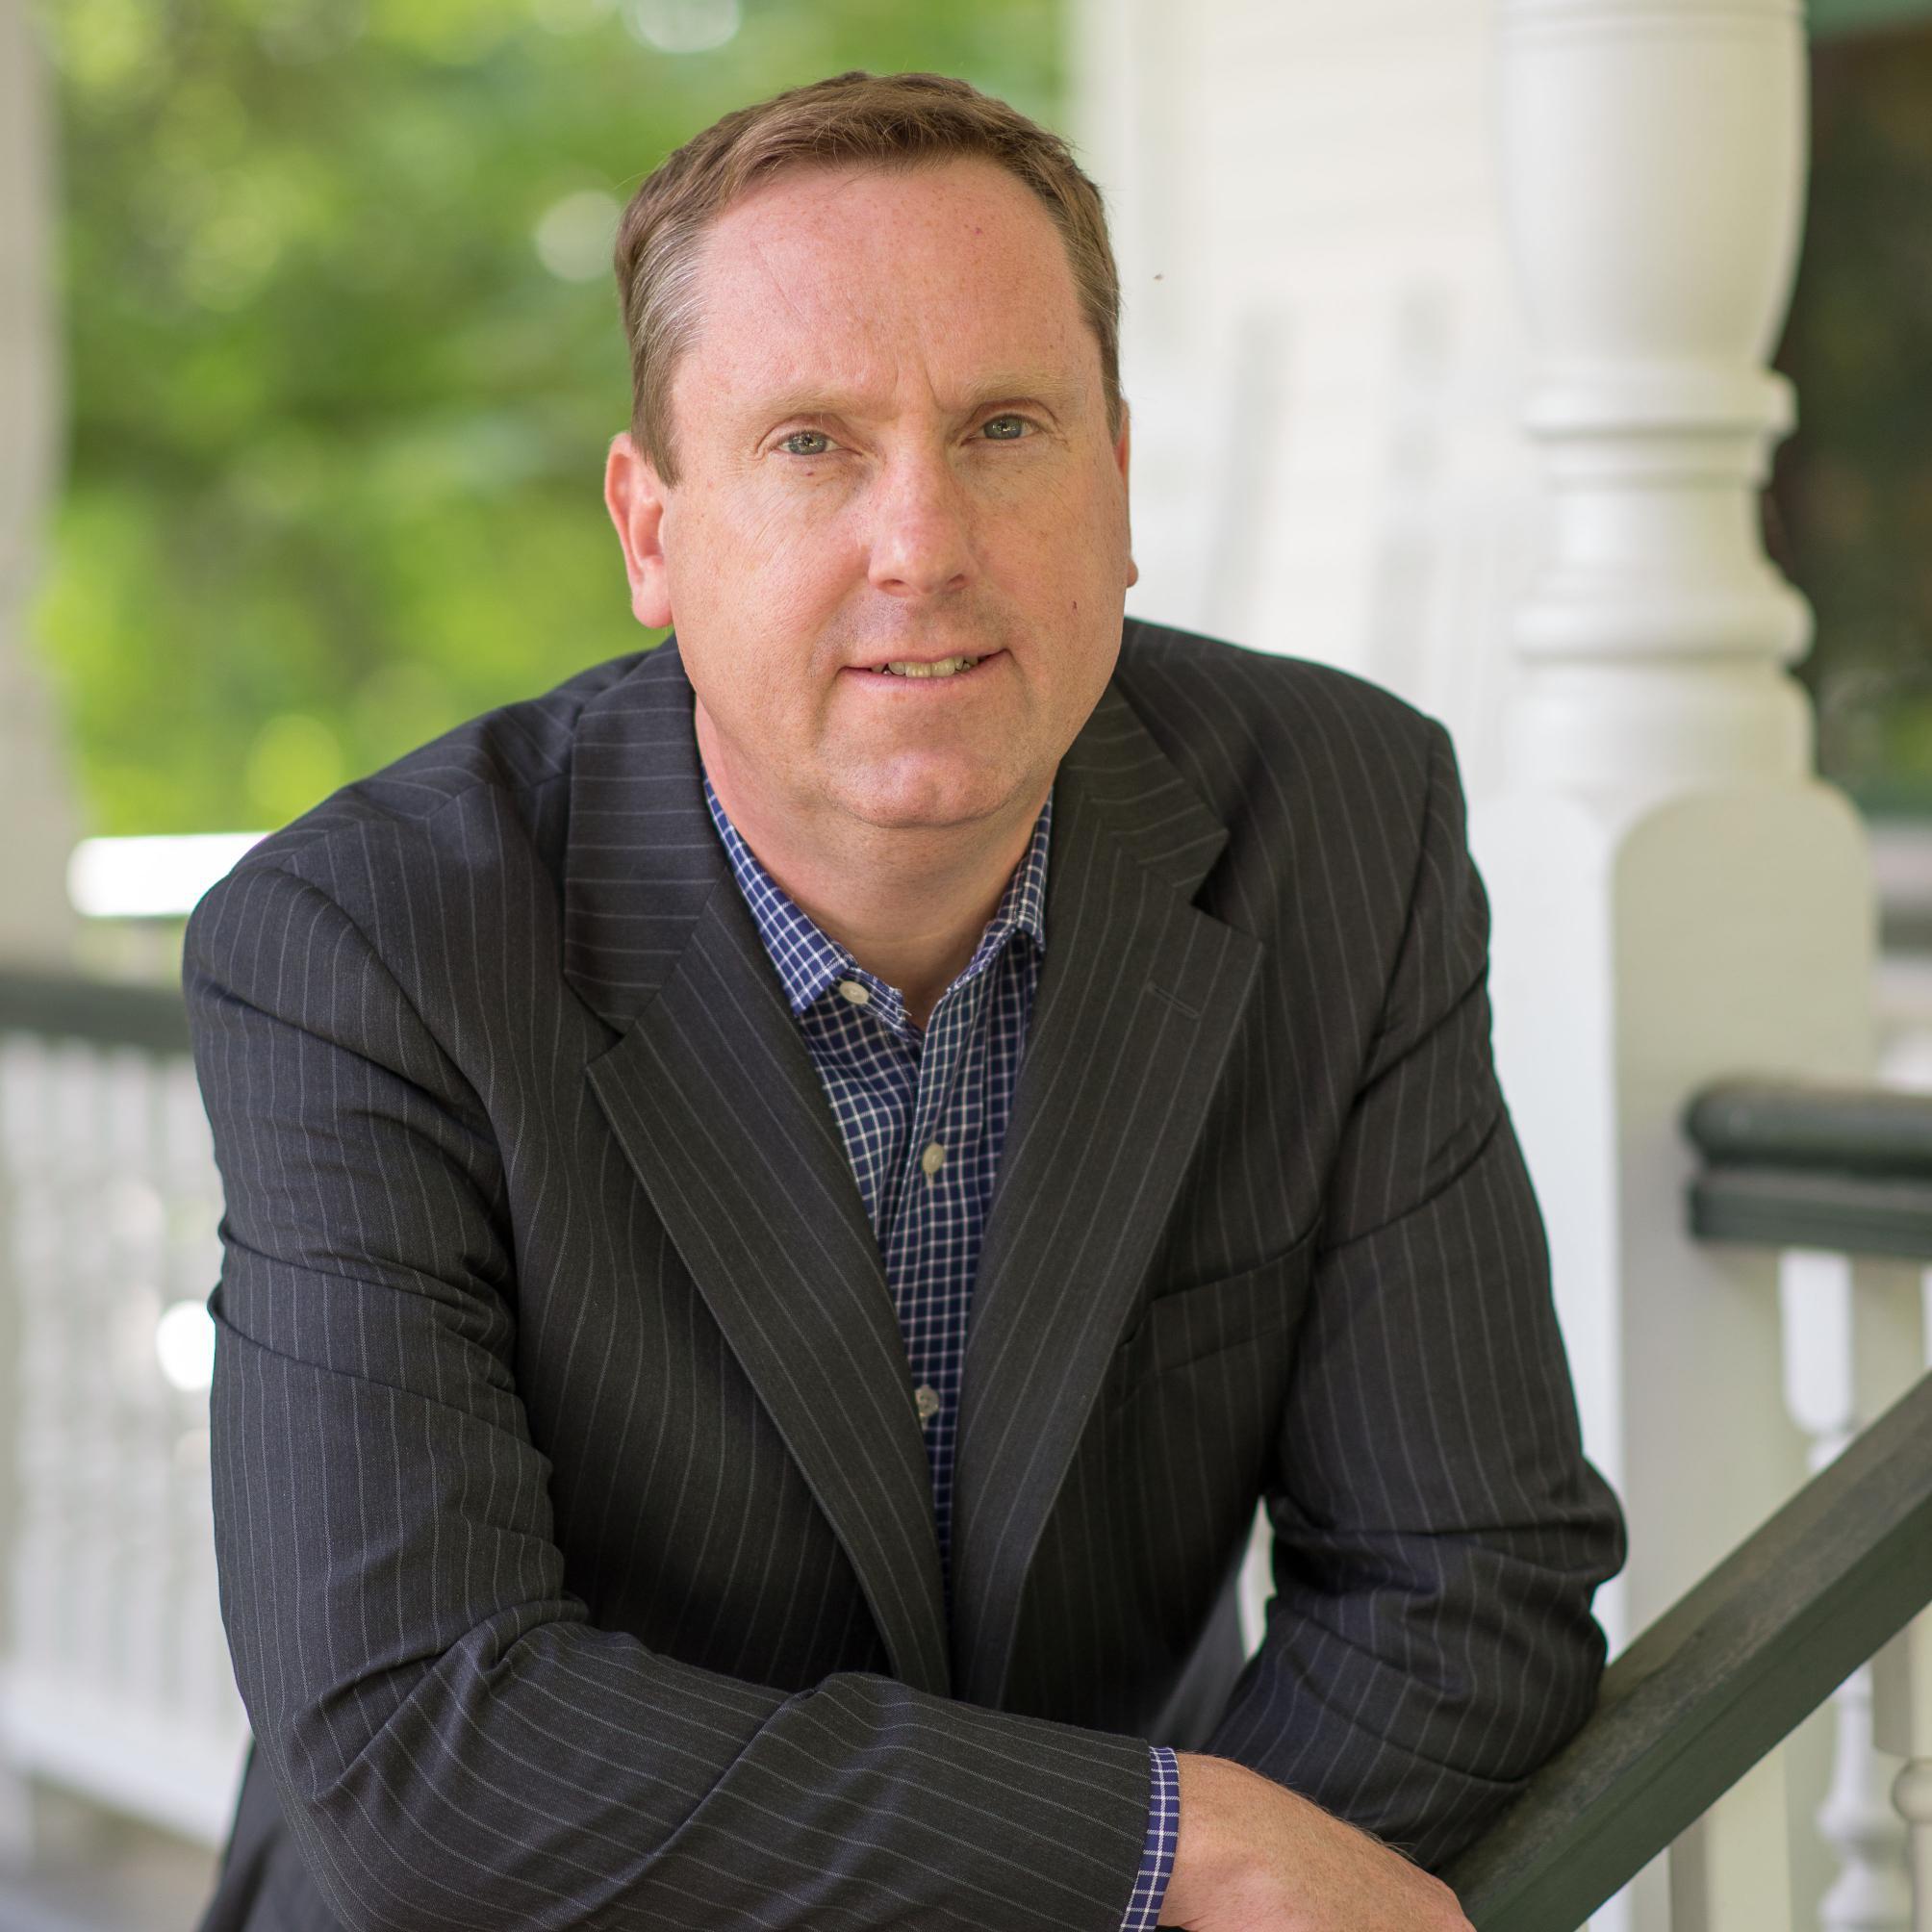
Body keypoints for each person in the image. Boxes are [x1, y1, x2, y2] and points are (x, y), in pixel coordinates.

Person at [185, 68, 1625, 1932]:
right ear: (649, 526)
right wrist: (1162, 1849)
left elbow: (1474, 1580)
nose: (921, 541)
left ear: (1114, 480)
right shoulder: (363, 945)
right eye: (809, 441)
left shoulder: (1335, 826)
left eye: (1004, 425)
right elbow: (426, 1736)